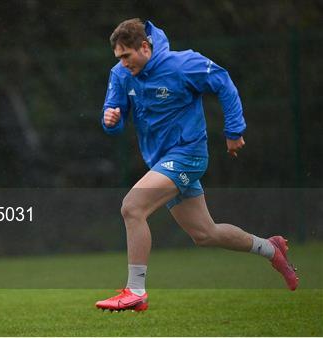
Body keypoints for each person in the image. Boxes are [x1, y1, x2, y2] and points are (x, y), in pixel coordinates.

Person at [95, 18, 298, 312]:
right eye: (119, 58)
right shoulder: (120, 74)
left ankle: (136, 290)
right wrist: (110, 118)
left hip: (188, 154)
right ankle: (271, 249)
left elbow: (223, 82)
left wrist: (234, 131)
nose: (123, 63)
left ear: (144, 46)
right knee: (205, 234)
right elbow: (113, 115)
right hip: (161, 162)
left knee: (132, 207)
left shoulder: (182, 64)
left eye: (127, 56)